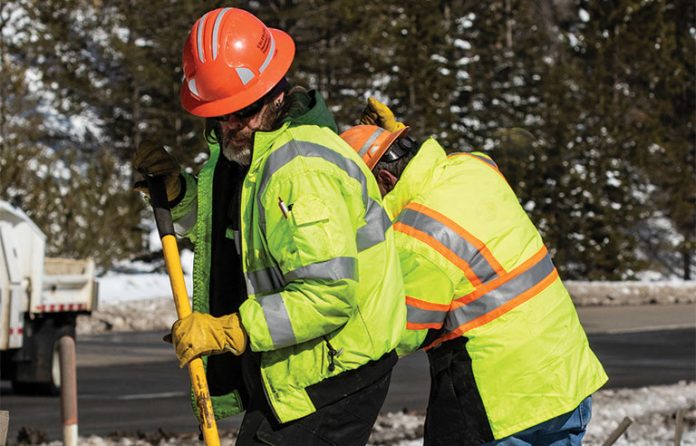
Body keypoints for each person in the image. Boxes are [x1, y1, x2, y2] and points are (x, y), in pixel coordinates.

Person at [133, 9, 404, 445]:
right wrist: (178, 195)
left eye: (240, 112)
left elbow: (328, 295)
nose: (229, 126)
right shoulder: (252, 152)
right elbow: (230, 228)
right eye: (218, 115)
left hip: (332, 372)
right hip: (300, 362)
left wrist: (231, 330)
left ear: (273, 93)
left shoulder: (299, 169)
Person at [340, 98, 608, 446]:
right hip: (567, 383)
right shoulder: (473, 169)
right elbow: (438, 172)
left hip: (503, 407)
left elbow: (402, 330)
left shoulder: (418, 235)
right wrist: (392, 144)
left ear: (387, 179)